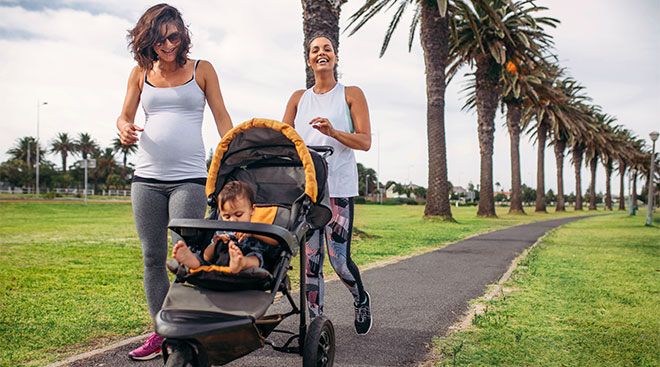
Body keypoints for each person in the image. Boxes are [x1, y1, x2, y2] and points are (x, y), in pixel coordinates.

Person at [116, 3, 233, 361]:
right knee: (152, 257)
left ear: (183, 35)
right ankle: (161, 333)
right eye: (159, 39)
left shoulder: (202, 70)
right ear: (146, 41)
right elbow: (125, 115)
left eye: (173, 36)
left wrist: (233, 158)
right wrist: (122, 128)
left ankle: (188, 331)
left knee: (186, 259)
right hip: (146, 179)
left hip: (190, 179)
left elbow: (222, 119)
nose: (167, 45)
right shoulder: (140, 72)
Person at [282, 33, 373, 335]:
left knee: (339, 261)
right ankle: (316, 324)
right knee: (311, 261)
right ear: (308, 59)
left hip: (338, 190)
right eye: (314, 50)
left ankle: (360, 298)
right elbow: (285, 140)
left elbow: (364, 141)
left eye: (327, 49)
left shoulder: (351, 94)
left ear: (335, 56)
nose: (321, 53)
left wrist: (334, 132)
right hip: (307, 193)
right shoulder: (298, 98)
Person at [172, 181, 279, 274]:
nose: (232, 221)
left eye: (238, 215)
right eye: (227, 216)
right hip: (221, 263)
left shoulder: (258, 228)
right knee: (204, 257)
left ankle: (241, 262)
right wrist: (216, 243)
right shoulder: (221, 230)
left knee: (256, 256)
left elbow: (276, 242)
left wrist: (253, 233)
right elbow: (207, 257)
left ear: (252, 209)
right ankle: (193, 262)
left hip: (249, 261)